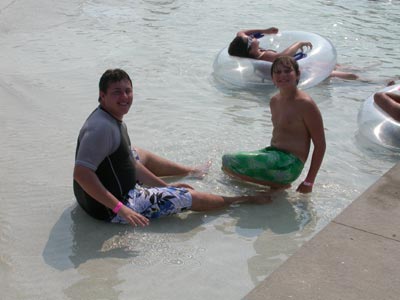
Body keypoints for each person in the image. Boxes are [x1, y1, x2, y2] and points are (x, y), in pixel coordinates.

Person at [73, 68, 271, 227]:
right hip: (114, 207)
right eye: (117, 92)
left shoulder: (109, 118)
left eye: (128, 91)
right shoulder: (101, 128)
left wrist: (165, 186)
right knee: (188, 197)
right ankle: (240, 200)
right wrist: (120, 209)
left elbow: (129, 163)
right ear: (102, 95)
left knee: (137, 154)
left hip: (93, 201)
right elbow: (81, 174)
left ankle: (190, 171)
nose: (124, 97)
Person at [222, 56, 326, 193]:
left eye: (287, 71)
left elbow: (320, 144)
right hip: (273, 154)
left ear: (298, 74)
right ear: (272, 78)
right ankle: (273, 186)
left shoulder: (305, 104)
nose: (282, 75)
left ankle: (280, 185)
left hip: (290, 163)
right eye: (277, 72)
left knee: (229, 161)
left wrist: (309, 181)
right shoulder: (274, 101)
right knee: (227, 168)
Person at [228, 27, 358, 80]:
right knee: (345, 74)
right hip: (300, 73)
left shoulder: (253, 51)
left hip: (296, 66)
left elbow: (241, 33)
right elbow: (282, 57)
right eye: (250, 39)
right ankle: (369, 82)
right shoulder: (264, 57)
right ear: (250, 50)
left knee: (335, 65)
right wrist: (299, 44)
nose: (252, 37)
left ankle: (364, 69)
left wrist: (265, 30)